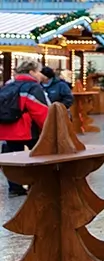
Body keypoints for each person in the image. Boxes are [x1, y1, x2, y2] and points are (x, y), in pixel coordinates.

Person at [0, 60, 49, 197]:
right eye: (39, 71)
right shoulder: (32, 87)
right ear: (31, 72)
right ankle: (37, 185)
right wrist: (48, 128)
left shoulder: (8, 86)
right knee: (39, 157)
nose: (40, 75)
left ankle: (15, 188)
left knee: (13, 160)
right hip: (26, 129)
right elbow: (40, 111)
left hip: (7, 129)